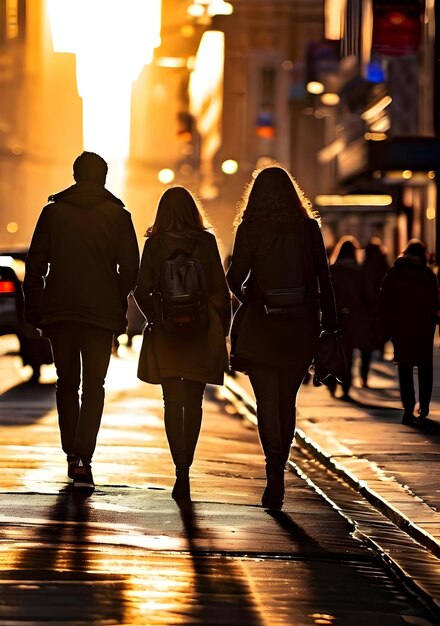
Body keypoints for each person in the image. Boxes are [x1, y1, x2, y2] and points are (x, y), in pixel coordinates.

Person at [23, 151, 139, 490]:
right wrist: (113, 296)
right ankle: (85, 457)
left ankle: (70, 454)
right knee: (94, 386)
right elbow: (130, 269)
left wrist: (35, 307)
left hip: (60, 310)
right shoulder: (118, 217)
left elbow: (36, 265)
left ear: (75, 176)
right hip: (100, 314)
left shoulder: (53, 213)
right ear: (103, 177)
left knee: (66, 383)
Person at [226, 166, 338, 510]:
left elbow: (233, 277)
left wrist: (254, 299)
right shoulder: (308, 228)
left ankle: (271, 467)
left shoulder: (250, 228)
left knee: (267, 403)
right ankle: (280, 466)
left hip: (262, 326)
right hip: (299, 327)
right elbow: (324, 278)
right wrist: (329, 323)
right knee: (287, 402)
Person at [134, 186, 230, 501]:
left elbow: (141, 288)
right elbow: (219, 288)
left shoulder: (155, 243)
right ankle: (188, 464)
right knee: (195, 402)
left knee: (172, 403)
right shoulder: (205, 242)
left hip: (167, 336)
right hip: (201, 333)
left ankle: (180, 471)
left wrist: (157, 318)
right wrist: (222, 330)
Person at [379, 239, 438, 426]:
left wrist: (388, 322)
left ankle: (408, 405)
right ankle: (424, 406)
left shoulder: (395, 273)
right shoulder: (428, 275)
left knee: (404, 367)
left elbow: (384, 299)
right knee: (424, 367)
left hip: (401, 327)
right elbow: (435, 301)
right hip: (424, 327)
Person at [329, 235, 366, 399]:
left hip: (333, 315)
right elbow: (363, 295)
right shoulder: (357, 272)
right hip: (351, 316)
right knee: (348, 352)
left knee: (333, 350)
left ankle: (330, 381)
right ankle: (345, 385)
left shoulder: (332, 270)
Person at [359, 237, 389, 387]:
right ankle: (381, 351)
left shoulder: (363, 267)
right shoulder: (384, 267)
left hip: (366, 311)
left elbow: (362, 289)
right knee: (377, 335)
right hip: (380, 309)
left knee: (366, 347)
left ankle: (363, 375)